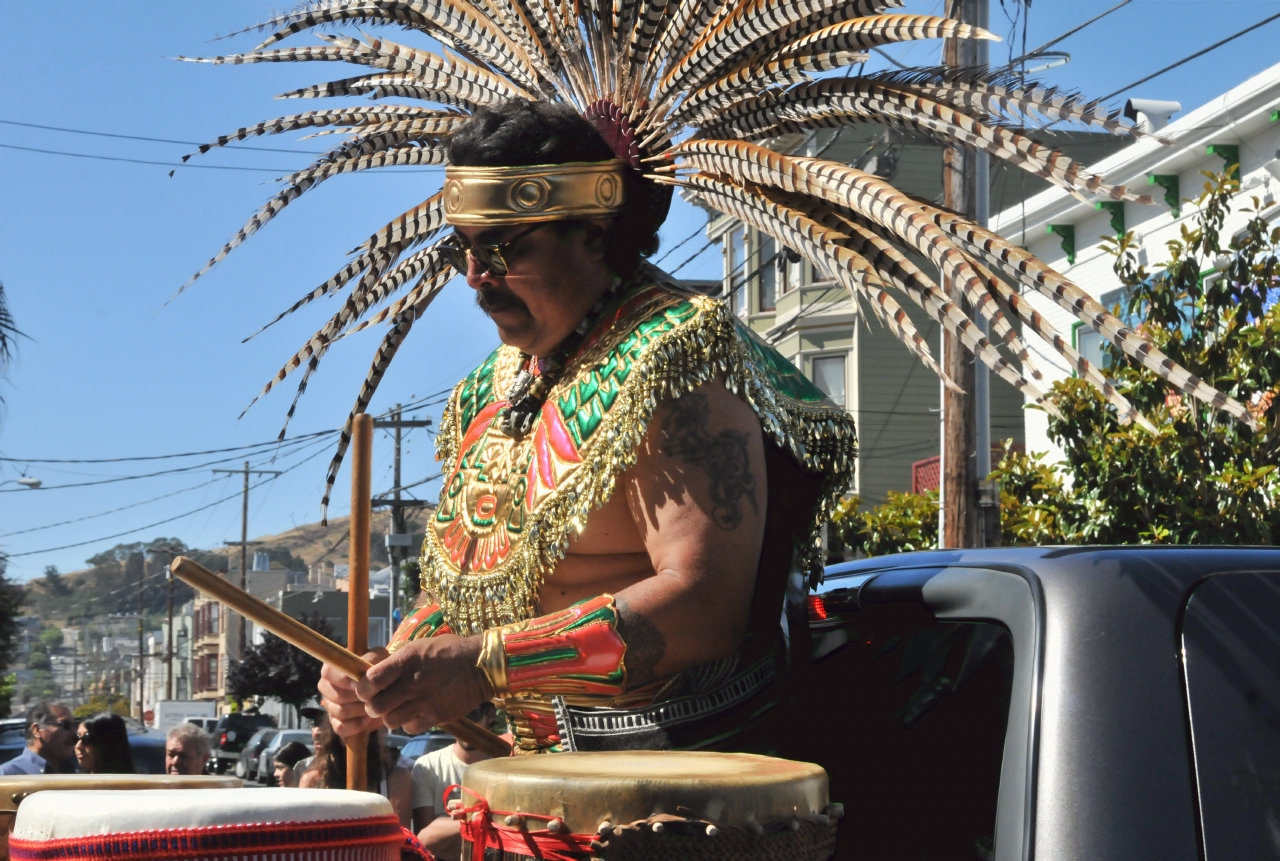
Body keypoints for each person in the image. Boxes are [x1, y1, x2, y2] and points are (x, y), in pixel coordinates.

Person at [317, 99, 857, 756]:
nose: (475, 278)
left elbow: (705, 605)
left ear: (594, 234)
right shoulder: (488, 390)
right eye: (464, 248)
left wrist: (486, 664)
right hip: (526, 783)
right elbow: (462, 590)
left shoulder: (676, 356)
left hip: (677, 792)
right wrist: (387, 669)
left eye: (505, 246)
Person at [412, 705, 503, 857]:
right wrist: (484, 823)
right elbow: (424, 843)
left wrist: (449, 830)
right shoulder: (428, 766)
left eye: (473, 715)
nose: (465, 725)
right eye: (458, 717)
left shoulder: (506, 770)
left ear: (491, 715)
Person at [299, 722, 413, 828]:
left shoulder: (397, 779)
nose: (355, 725)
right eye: (346, 718)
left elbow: (402, 839)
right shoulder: (311, 781)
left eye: (362, 716)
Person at [0, 702, 76, 775]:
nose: (74, 733)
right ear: (37, 730)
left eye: (74, 725)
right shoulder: (8, 775)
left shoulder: (77, 769)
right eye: (65, 725)